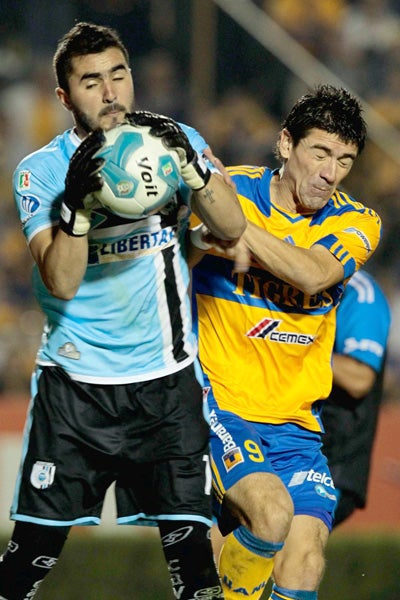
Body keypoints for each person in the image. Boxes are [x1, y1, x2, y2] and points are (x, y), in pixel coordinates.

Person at [0, 22, 247, 600]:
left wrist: (192, 167)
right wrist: (78, 209)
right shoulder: (41, 171)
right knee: (30, 559)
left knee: (195, 566)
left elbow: (232, 225)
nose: (110, 92)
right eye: (91, 82)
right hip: (76, 388)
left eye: (119, 74)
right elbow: (61, 281)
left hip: (167, 382)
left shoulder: (171, 140)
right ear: (65, 97)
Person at [189, 84, 382, 600]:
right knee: (271, 514)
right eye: (319, 153)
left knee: (305, 562)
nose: (330, 172)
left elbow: (314, 275)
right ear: (285, 144)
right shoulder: (230, 188)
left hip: (297, 424)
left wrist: (232, 226)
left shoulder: (358, 221)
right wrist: (203, 229)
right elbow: (172, 260)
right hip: (220, 404)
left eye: (344, 160)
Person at [321, 268, 391, 527]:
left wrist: (295, 351)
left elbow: (359, 377)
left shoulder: (359, 292)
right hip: (278, 445)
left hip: (332, 462)